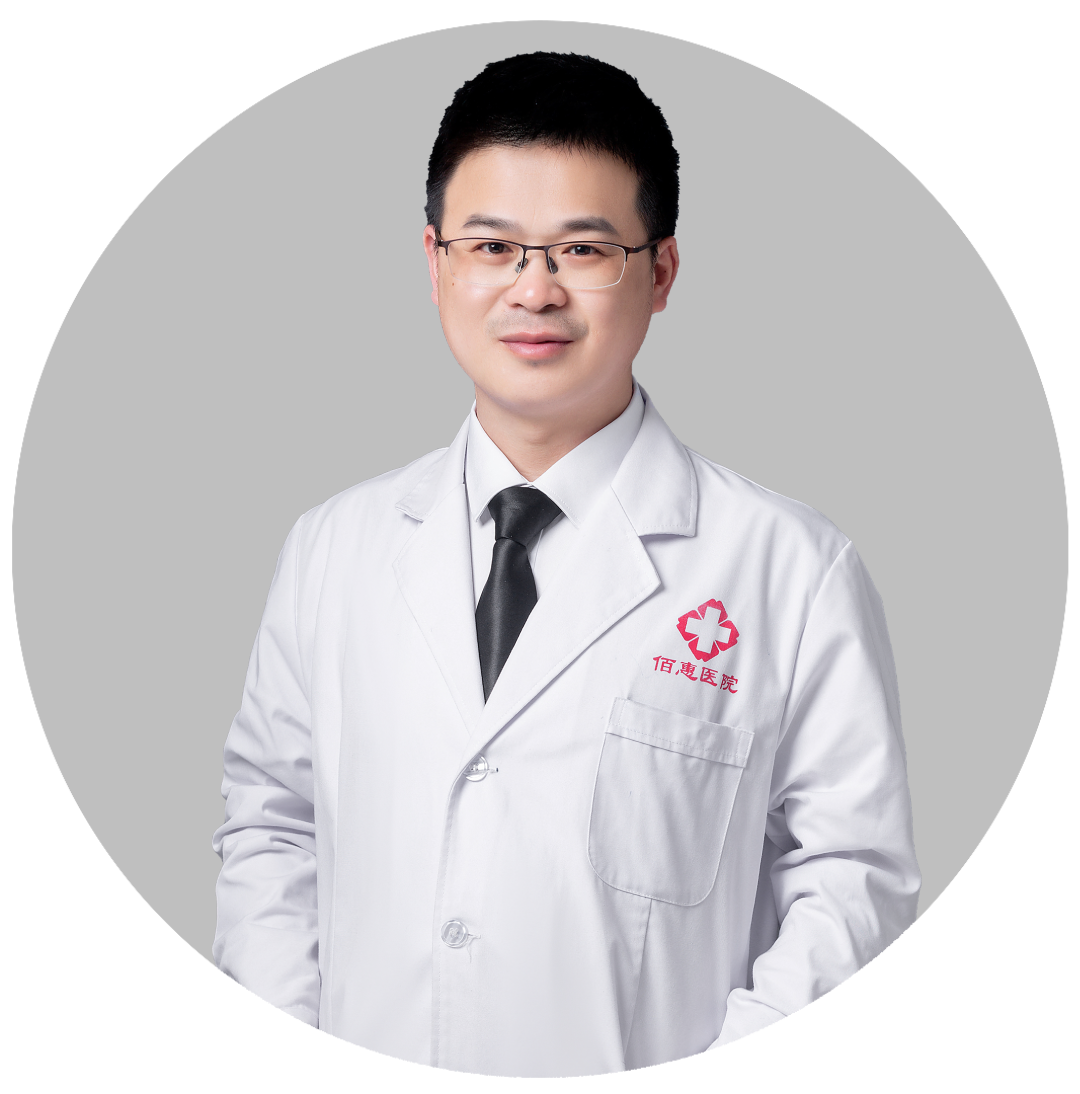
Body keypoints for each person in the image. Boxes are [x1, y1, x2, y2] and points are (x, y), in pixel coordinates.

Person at [212, 52, 920, 1076]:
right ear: (435, 261)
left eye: (583, 249)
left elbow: (852, 881)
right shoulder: (332, 546)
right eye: (493, 246)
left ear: (660, 271)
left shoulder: (791, 570)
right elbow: (272, 827)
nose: (533, 290)